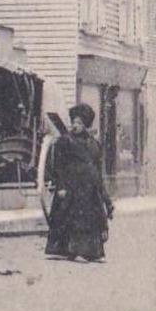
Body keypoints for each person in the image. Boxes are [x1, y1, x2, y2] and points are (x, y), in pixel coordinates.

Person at [45, 102, 113, 262]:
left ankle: (92, 252)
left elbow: (97, 170)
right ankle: (66, 250)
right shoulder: (65, 141)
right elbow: (57, 166)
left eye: (79, 123)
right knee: (69, 218)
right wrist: (60, 186)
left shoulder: (94, 144)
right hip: (70, 188)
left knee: (90, 220)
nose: (75, 125)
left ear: (86, 125)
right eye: (74, 122)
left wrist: (104, 197)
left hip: (89, 189)